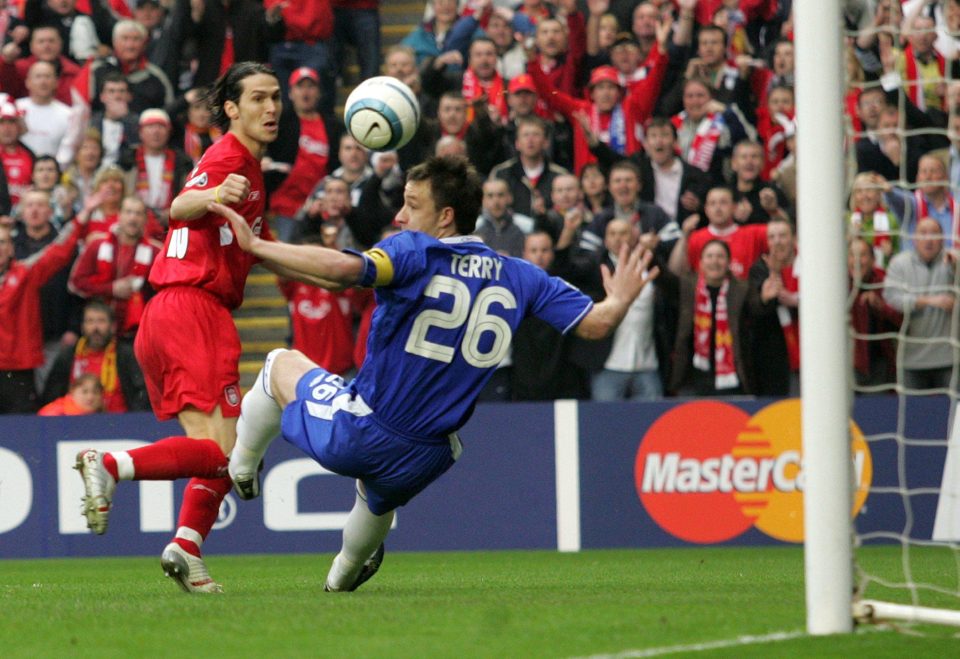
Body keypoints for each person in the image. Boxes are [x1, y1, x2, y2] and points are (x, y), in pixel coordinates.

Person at [218, 154, 658, 592]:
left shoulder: (413, 250)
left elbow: (341, 272)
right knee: (375, 501)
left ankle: (241, 465)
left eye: (412, 204)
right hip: (427, 456)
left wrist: (257, 248)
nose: (400, 215)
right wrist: (619, 299)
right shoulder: (521, 275)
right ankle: (343, 574)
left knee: (279, 363)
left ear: (445, 217)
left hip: (364, 429)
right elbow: (598, 323)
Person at [74, 62, 288, 594]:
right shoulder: (227, 157)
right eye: (258, 98)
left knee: (222, 450)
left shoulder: (252, 172)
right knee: (222, 454)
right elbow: (179, 206)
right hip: (193, 310)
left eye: (276, 98)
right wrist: (215, 194)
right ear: (232, 109)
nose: (272, 107)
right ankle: (109, 463)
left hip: (175, 311)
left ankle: (187, 547)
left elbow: (253, 247)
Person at [0, 208, 86, 413]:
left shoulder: (26, 272)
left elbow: (58, 250)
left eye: (3, 242)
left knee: (23, 430)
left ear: (12, 248)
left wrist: (84, 214)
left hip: (19, 369)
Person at [670, 238, 754, 396]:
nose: (715, 261)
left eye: (720, 256)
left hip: (732, 380)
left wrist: (764, 298)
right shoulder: (688, 286)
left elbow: (757, 308)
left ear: (729, 262)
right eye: (709, 256)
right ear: (701, 262)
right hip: (693, 378)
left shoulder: (742, 289)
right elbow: (665, 279)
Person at [883, 217, 957, 392]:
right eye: (923, 233)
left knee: (952, 416)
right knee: (912, 415)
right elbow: (891, 298)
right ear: (913, 238)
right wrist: (928, 301)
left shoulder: (952, 261)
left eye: (934, 233)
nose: (928, 239)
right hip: (911, 359)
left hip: (948, 358)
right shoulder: (900, 263)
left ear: (943, 238)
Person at [42, 299, 149, 413]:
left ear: (113, 326)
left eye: (101, 321)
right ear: (82, 327)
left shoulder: (125, 354)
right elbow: (52, 394)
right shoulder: (69, 355)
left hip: (119, 423)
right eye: (90, 321)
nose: (95, 328)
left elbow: (142, 391)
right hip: (75, 424)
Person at [38, 372, 104, 416]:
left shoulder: (105, 416)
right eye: (84, 392)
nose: (90, 397)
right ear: (72, 392)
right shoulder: (55, 414)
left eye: (95, 392)